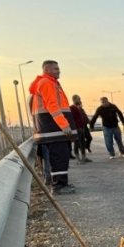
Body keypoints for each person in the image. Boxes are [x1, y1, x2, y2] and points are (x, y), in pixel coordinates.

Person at [29, 60, 78, 194]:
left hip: (51, 130)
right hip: (54, 130)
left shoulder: (48, 83)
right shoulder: (46, 83)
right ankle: (59, 186)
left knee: (60, 157)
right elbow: (53, 106)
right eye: (56, 69)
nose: (59, 71)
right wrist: (65, 125)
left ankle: (61, 183)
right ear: (47, 70)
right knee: (59, 158)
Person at [70, 94, 92, 163]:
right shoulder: (72, 108)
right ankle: (78, 159)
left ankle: (84, 157)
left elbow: (83, 117)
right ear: (74, 100)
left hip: (82, 127)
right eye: (79, 99)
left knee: (83, 143)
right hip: (76, 128)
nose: (80, 100)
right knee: (77, 143)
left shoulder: (80, 108)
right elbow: (71, 119)